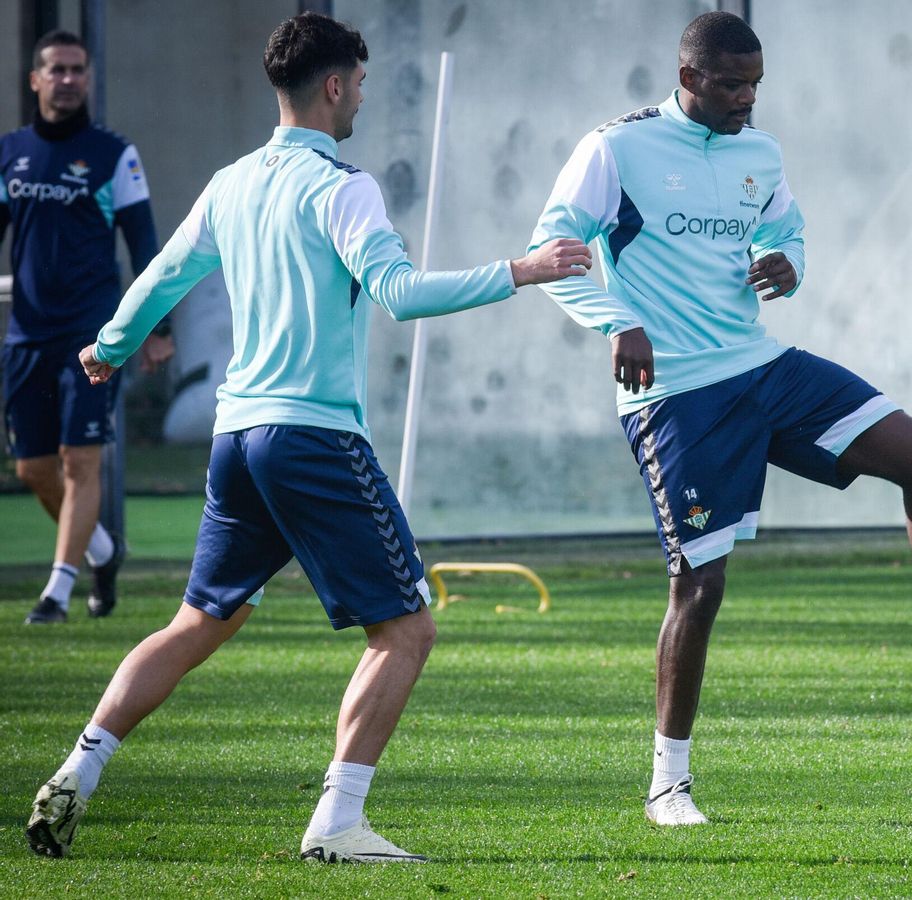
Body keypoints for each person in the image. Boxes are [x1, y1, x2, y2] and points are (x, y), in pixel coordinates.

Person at [25, 12, 591, 862]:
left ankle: (79, 767)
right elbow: (400, 294)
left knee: (198, 621)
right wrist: (524, 269)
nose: (362, 95)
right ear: (333, 85)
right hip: (313, 437)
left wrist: (109, 346)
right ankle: (337, 823)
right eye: (359, 83)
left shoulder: (231, 182)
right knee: (406, 630)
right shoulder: (344, 186)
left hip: (236, 437)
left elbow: (158, 275)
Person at [527, 11, 912, 828]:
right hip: (677, 395)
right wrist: (613, 322)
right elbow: (554, 248)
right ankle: (669, 784)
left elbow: (788, 232)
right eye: (732, 84)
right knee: (700, 585)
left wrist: (786, 263)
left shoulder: (757, 152)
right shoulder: (615, 149)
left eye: (756, 84)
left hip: (761, 366)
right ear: (689, 77)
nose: (748, 99)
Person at [1, 30, 172, 624]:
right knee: (32, 469)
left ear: (88, 78)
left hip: (90, 337)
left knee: (80, 461)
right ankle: (102, 549)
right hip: (24, 336)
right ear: (36, 79)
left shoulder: (113, 155)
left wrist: (156, 327)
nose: (68, 79)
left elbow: (147, 245)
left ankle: (57, 592)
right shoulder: (10, 152)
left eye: (78, 70)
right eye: (57, 69)